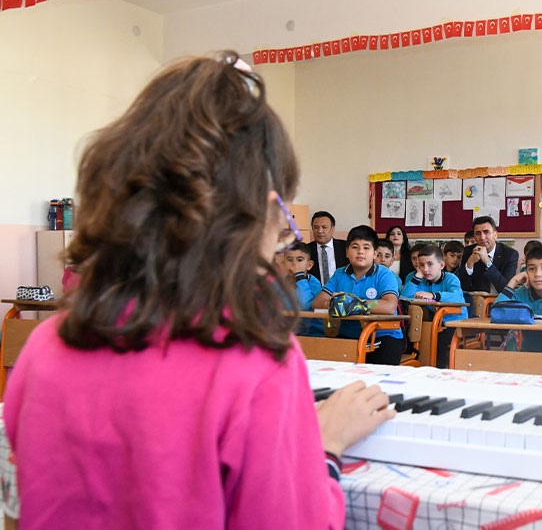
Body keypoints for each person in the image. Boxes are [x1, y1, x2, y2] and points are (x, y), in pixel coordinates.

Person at [2, 53, 394, 529]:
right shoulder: (255, 362)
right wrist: (326, 444)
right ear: (258, 214)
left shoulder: (47, 346)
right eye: (284, 221)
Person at [313, 225, 405, 365]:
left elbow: (389, 306)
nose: (360, 252)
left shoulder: (385, 275)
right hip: (348, 335)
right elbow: (317, 302)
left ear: (374, 253)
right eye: (355, 247)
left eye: (366, 247)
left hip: (383, 336)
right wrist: (334, 301)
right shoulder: (339, 274)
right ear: (347, 252)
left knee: (376, 379)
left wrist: (353, 303)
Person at [400, 245, 467, 368]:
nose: (425, 269)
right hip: (430, 323)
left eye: (430, 264)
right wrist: (418, 276)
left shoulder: (451, 278)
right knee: (412, 340)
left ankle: (439, 371)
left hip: (452, 324)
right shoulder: (418, 279)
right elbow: (404, 297)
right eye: (421, 265)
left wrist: (433, 295)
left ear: (441, 265)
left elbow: (457, 296)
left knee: (438, 344)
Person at [457, 216, 519, 293]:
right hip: (475, 301)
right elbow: (461, 288)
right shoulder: (468, 252)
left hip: (500, 301)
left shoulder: (510, 254)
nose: (482, 237)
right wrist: (470, 264)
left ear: (495, 235)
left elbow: (506, 289)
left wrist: (487, 262)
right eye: (478, 233)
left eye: (486, 232)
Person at [284, 242, 325, 336]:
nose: (294, 264)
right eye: (289, 260)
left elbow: (305, 306)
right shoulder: (281, 283)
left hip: (312, 333)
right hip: (289, 333)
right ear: (284, 263)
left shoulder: (314, 283)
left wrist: (299, 277)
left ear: (309, 265)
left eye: (299, 260)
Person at [308, 211, 348, 285]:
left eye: (324, 227)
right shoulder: (307, 250)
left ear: (332, 229)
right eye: (316, 227)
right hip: (316, 294)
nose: (319, 231)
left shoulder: (345, 247)